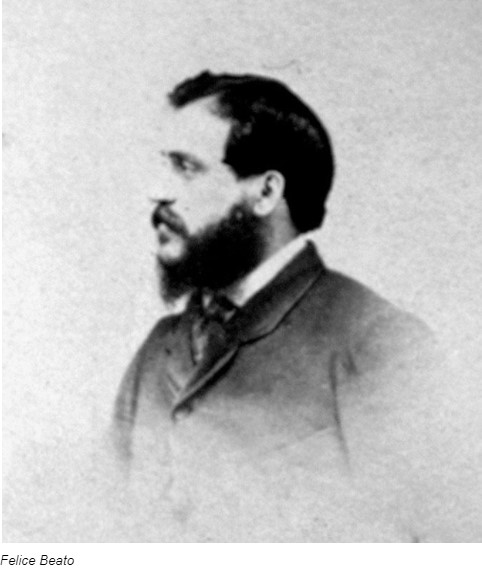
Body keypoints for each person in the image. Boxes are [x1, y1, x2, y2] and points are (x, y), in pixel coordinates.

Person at [111, 71, 463, 542]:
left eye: (186, 167)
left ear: (266, 193)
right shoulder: (158, 350)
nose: (158, 191)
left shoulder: (378, 343)